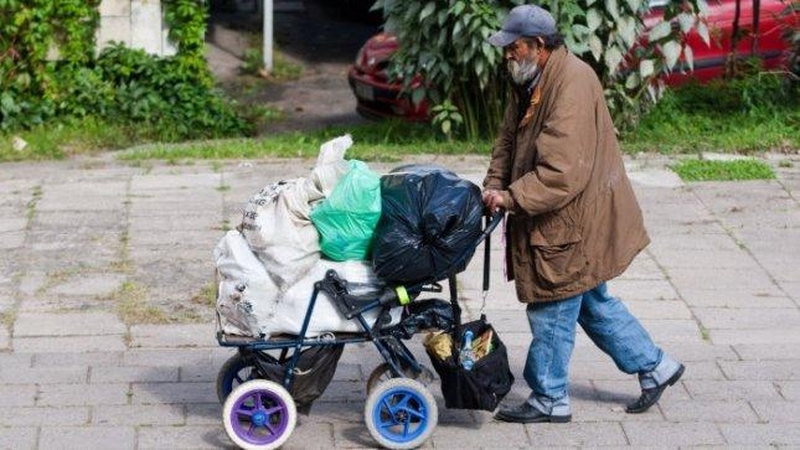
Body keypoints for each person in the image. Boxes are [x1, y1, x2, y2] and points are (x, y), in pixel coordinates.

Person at [481, 4, 685, 423]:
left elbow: (561, 172)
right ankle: (656, 365)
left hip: (570, 221)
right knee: (590, 301)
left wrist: (512, 197)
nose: (506, 55)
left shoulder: (570, 83)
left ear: (538, 46)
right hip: (566, 216)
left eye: (512, 47)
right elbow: (508, 139)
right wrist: (494, 184)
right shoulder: (532, 77)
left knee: (551, 305)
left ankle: (549, 398)